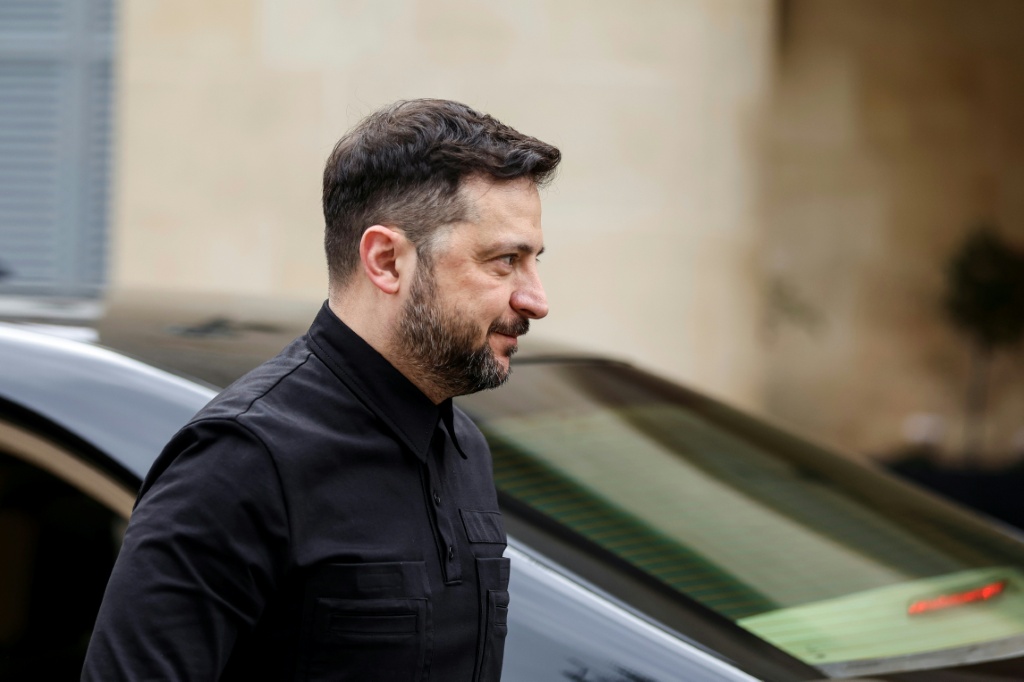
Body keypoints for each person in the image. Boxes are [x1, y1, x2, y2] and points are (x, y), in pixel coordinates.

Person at [82, 99, 561, 681]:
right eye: (505, 261)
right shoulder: (240, 461)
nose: (536, 299)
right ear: (386, 261)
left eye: (533, 261)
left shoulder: (464, 447)